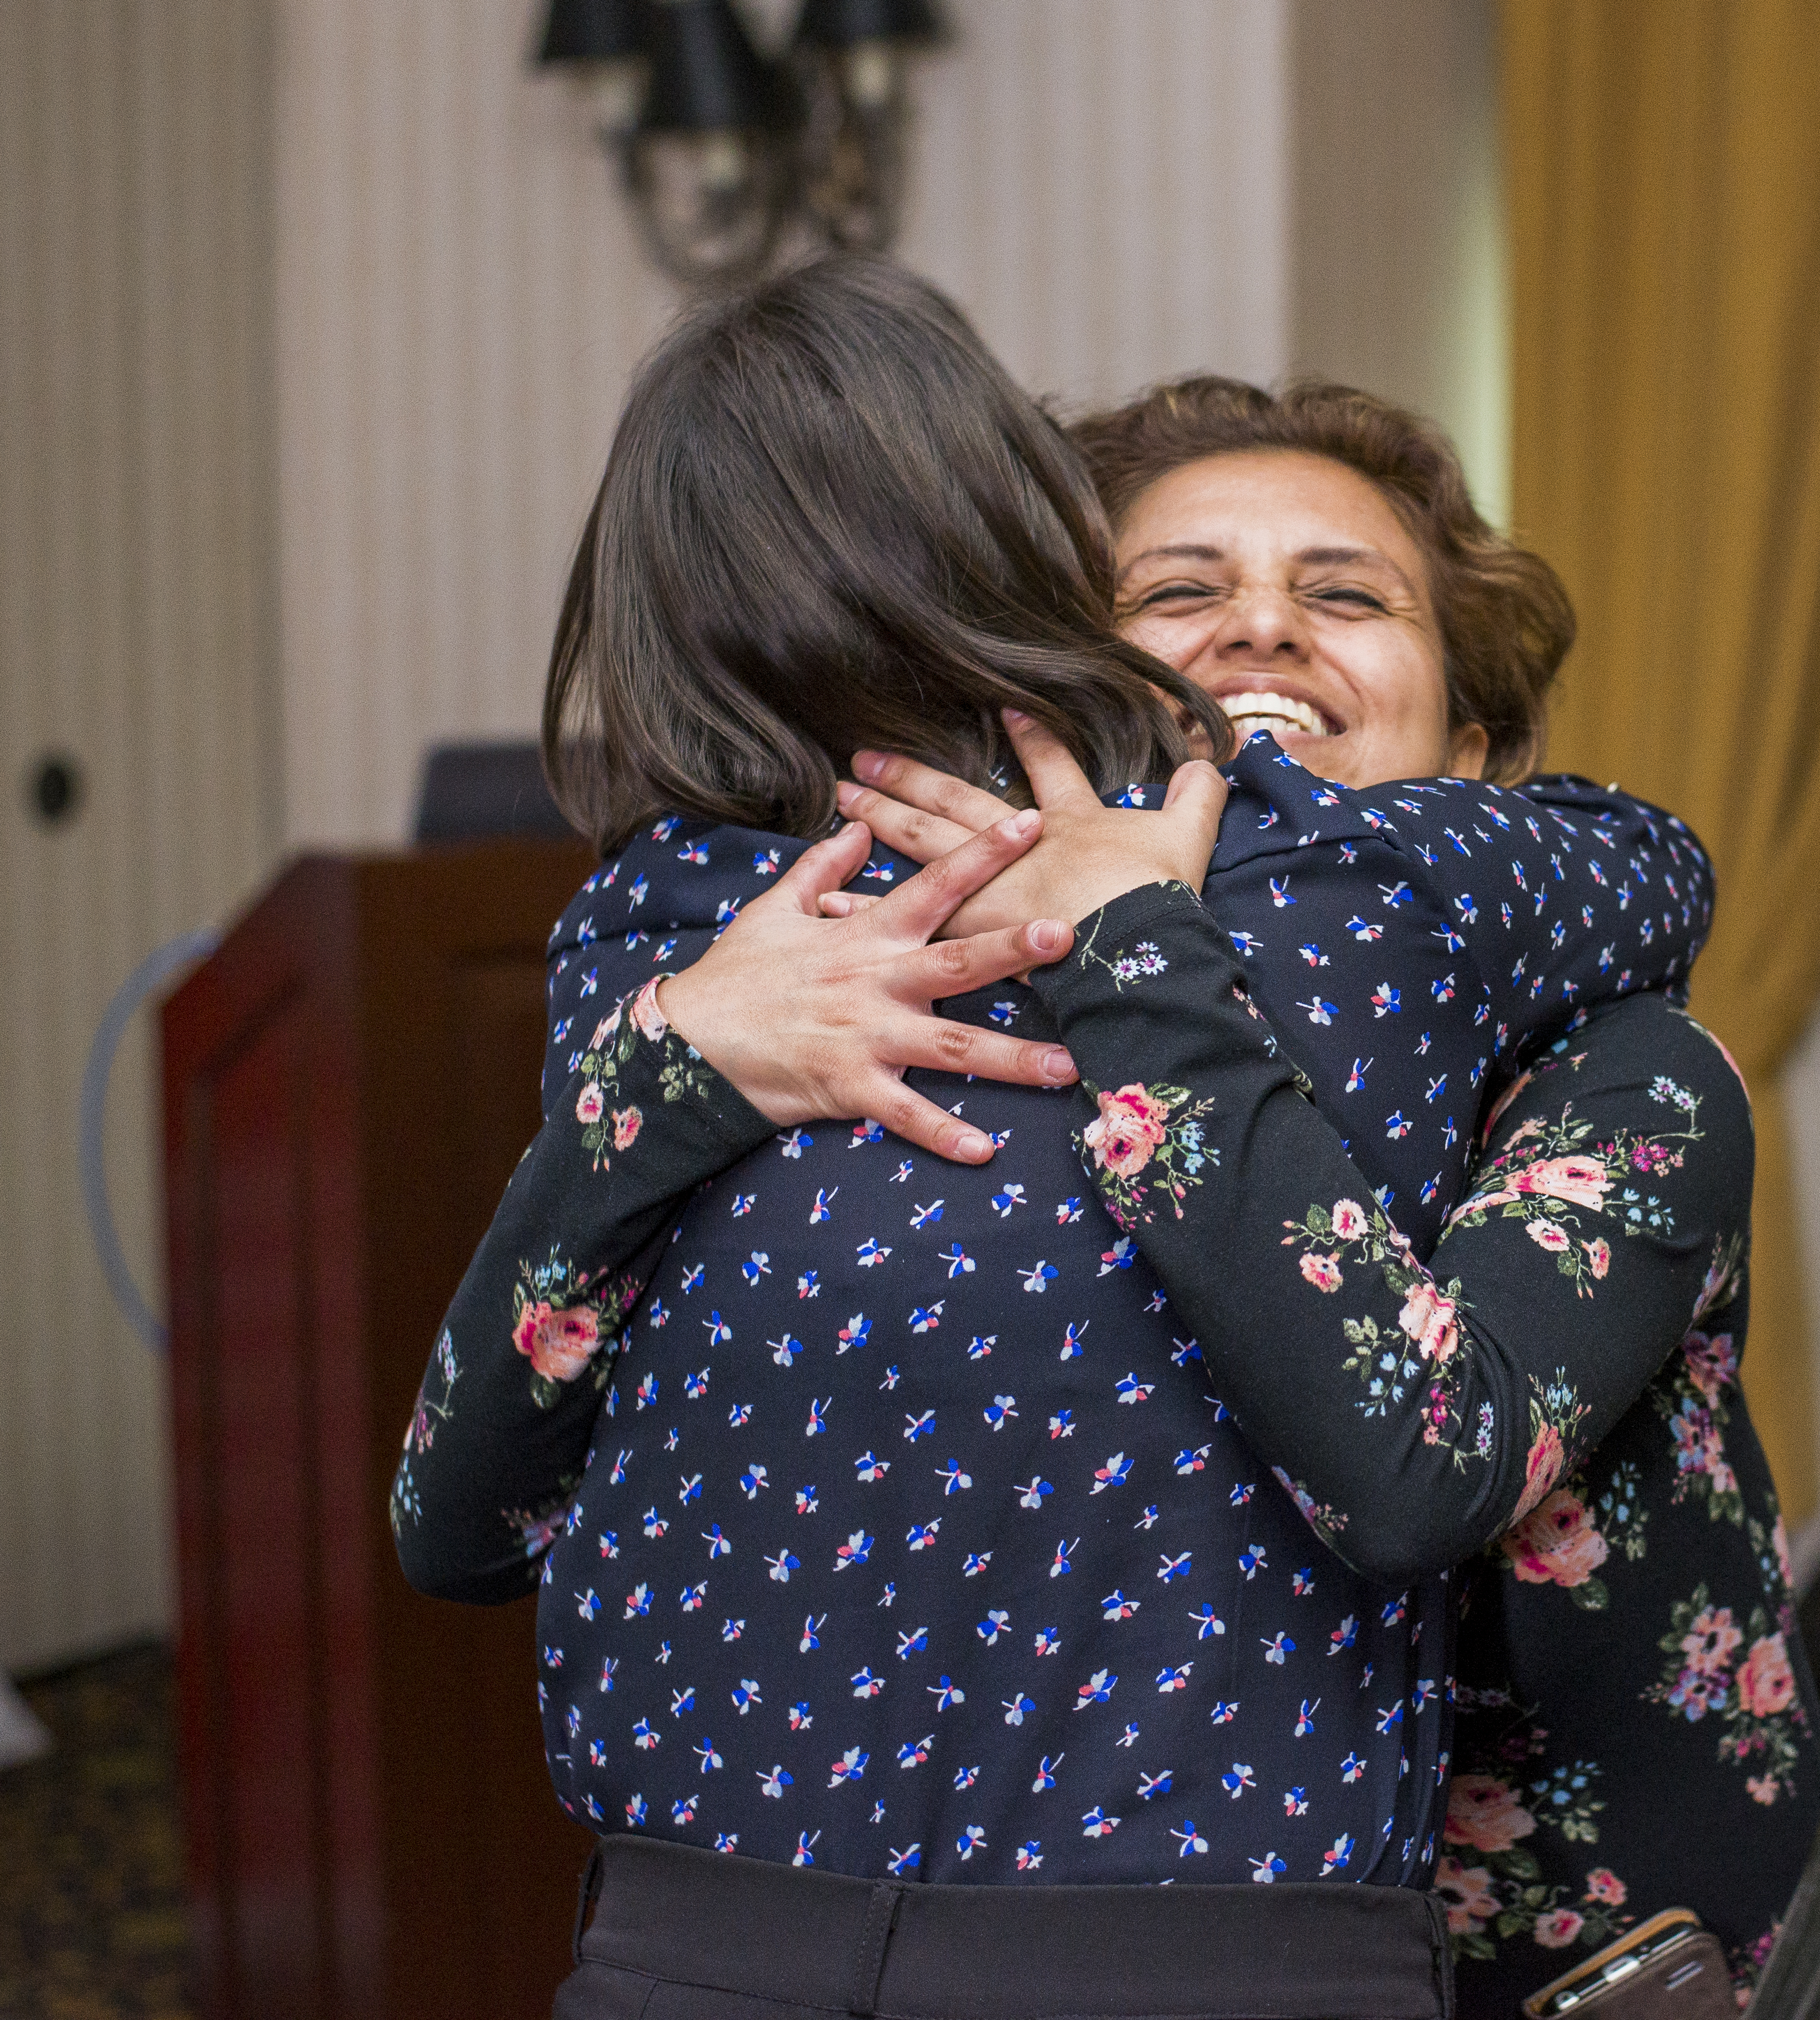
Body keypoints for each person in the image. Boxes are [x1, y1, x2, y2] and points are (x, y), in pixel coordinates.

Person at [390, 257, 1712, 2018]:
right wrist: (665, 1073)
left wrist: (1142, 946)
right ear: (1058, 619)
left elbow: (1650, 866)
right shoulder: (701, 932)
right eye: (1181, 587)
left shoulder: (1452, 934)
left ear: (1477, 747)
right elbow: (451, 1518)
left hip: (1320, 1946)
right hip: (700, 1945)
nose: (1259, 632)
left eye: (1344, 594)